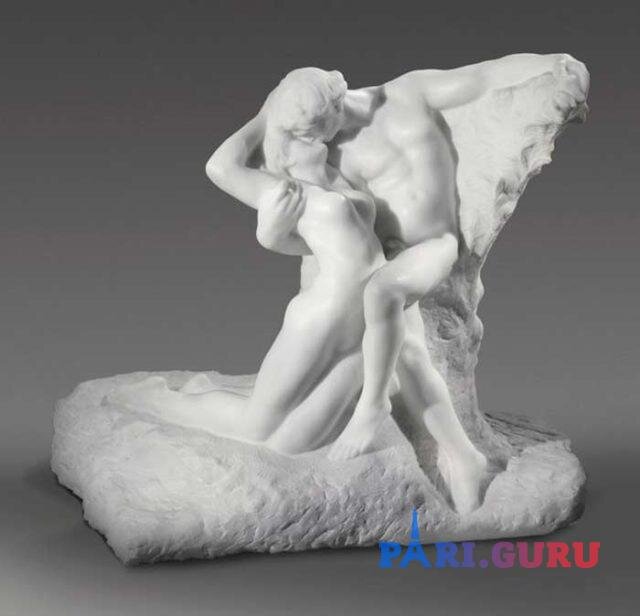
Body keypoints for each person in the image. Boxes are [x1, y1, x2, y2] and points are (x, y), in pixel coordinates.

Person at [106, 67, 489, 514]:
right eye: (302, 133)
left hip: (365, 318)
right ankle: (159, 399)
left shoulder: (335, 176)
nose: (316, 142)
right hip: (321, 317)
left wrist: (278, 237)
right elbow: (219, 167)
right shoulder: (282, 189)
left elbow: (317, 242)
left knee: (296, 440)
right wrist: (266, 118)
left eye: (317, 131)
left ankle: (454, 451)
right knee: (256, 429)